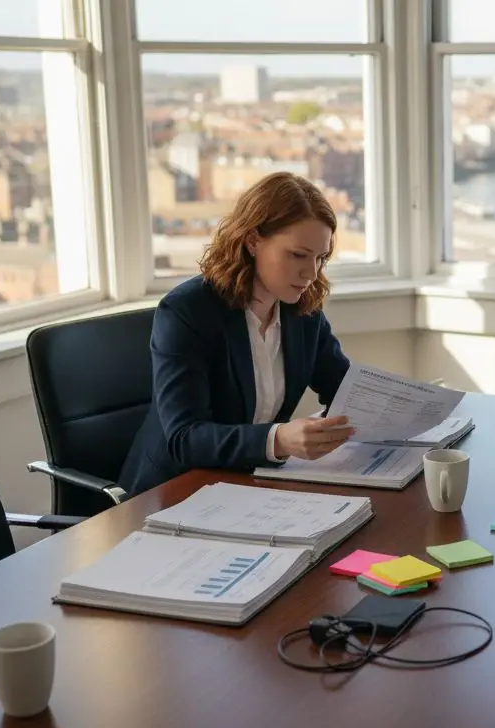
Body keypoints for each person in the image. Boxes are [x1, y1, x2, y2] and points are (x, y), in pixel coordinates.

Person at [120, 172, 355, 496]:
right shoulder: (187, 312)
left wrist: (398, 407)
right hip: (173, 491)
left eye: (320, 257)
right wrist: (278, 439)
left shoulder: (303, 311)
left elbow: (346, 391)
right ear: (253, 240)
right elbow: (185, 438)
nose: (311, 273)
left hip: (249, 485)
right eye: (298, 255)